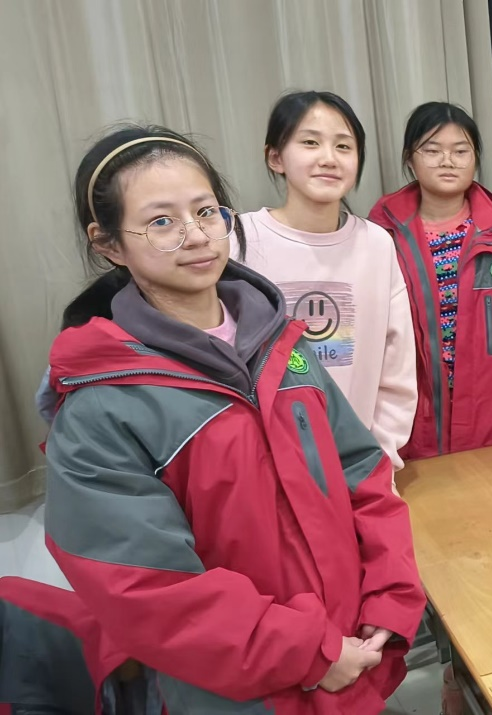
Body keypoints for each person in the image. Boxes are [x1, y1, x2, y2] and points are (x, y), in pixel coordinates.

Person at [42, 125, 426, 714]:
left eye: (206, 211)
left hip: (351, 660)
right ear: (109, 244)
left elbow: (361, 473)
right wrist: (310, 653)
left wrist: (390, 594)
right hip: (243, 692)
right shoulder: (102, 404)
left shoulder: (280, 345)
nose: (197, 236)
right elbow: (147, 589)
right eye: (161, 222)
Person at [236, 90, 417, 471]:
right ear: (275, 157)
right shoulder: (239, 240)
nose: (329, 158)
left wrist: (377, 460)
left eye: (344, 146)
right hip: (266, 469)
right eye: (310, 142)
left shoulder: (376, 244)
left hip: (359, 467)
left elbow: (397, 365)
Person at [368, 102, 492, 458]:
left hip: (489, 415)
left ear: (475, 159)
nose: (447, 161)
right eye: (432, 150)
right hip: (408, 421)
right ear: (410, 159)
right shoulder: (383, 233)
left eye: (460, 151)